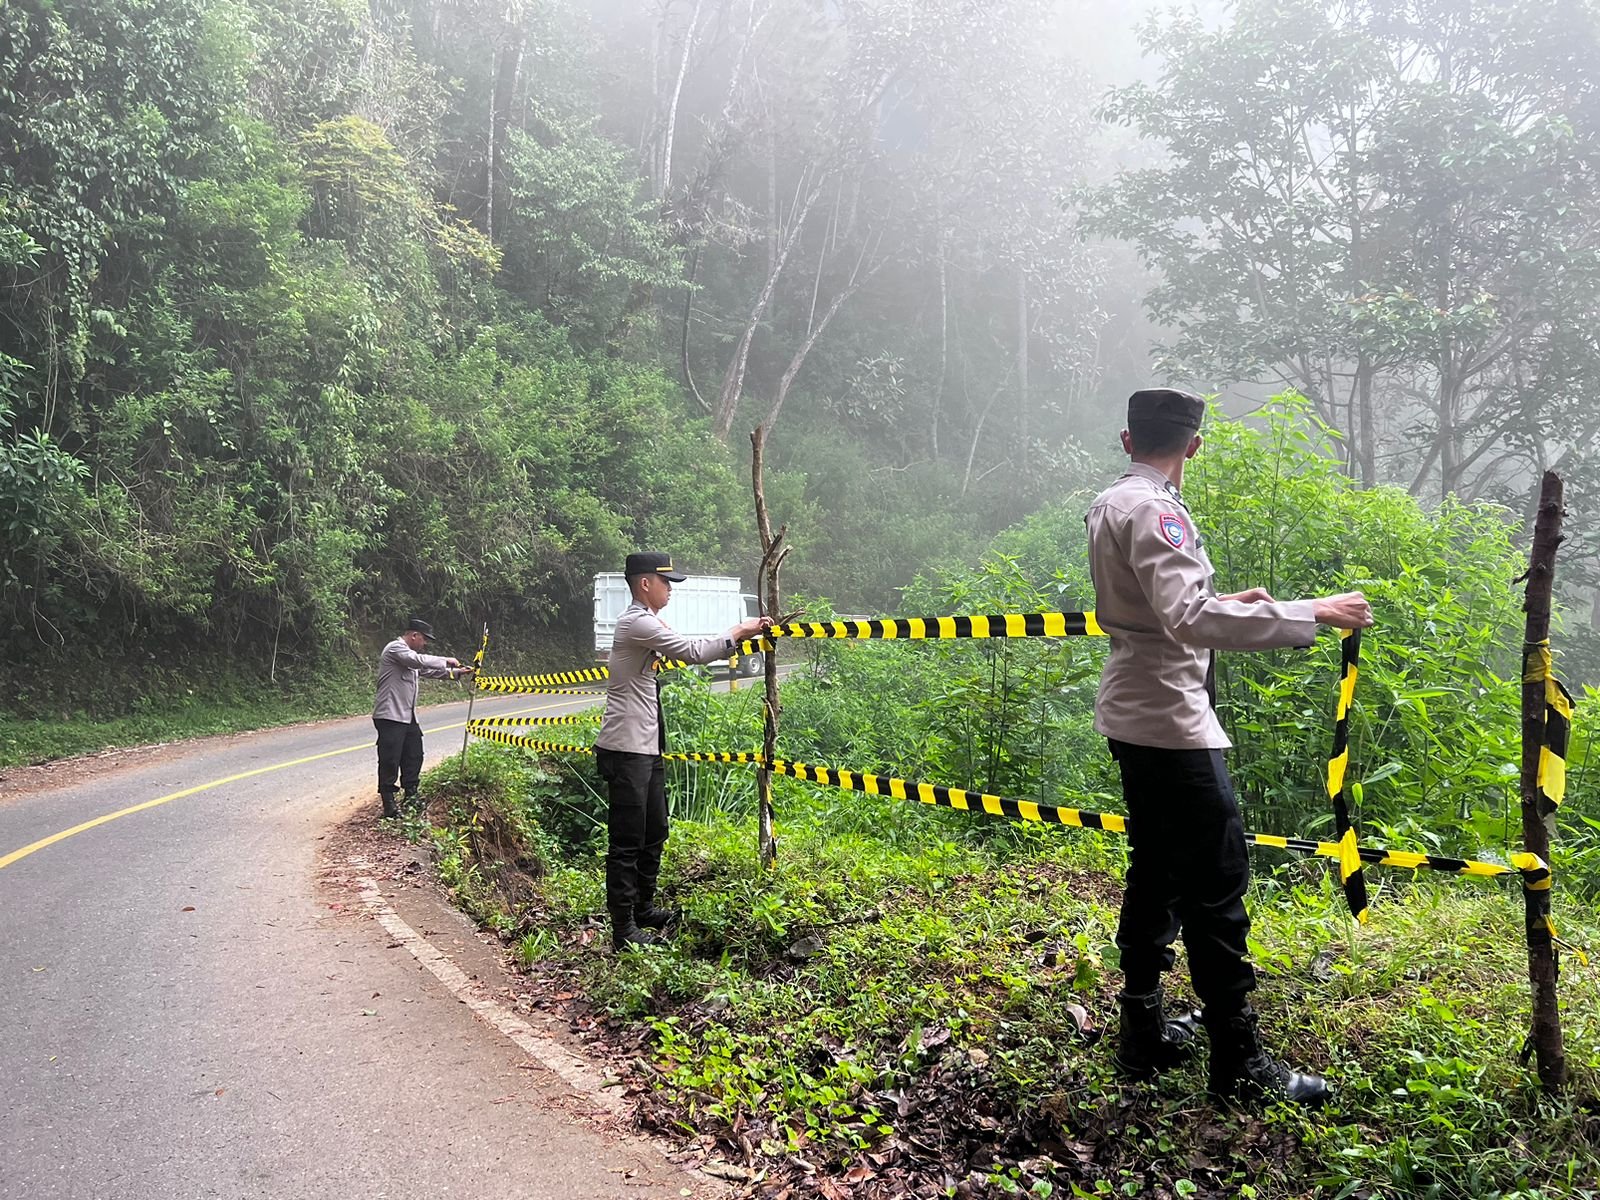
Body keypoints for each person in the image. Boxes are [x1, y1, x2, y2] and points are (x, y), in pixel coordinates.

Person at [1085, 388, 1373, 1105]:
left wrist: (1231, 605)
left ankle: (1142, 1026)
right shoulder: (1155, 509)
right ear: (1194, 445)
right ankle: (1240, 1065)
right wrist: (1312, 612)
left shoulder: (1113, 501)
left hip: (1136, 713)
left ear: (1128, 440)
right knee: (1218, 882)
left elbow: (1154, 609)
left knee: (1156, 867)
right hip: (1169, 722)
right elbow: (1185, 618)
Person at [594, 552, 772, 950]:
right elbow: (692, 652)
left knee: (655, 830)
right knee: (627, 840)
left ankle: (643, 907)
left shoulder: (647, 621)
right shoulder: (637, 622)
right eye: (666, 582)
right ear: (645, 584)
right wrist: (740, 631)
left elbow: (683, 643)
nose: (670, 589)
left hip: (647, 746)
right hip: (626, 749)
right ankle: (623, 930)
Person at [373, 617, 474, 819]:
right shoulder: (396, 649)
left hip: (407, 716)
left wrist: (457, 673)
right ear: (414, 635)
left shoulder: (409, 657)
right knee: (390, 759)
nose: (424, 644)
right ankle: (389, 805)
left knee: (414, 754)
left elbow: (427, 670)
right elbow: (418, 661)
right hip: (390, 715)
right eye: (424, 640)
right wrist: (445, 659)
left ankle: (411, 795)